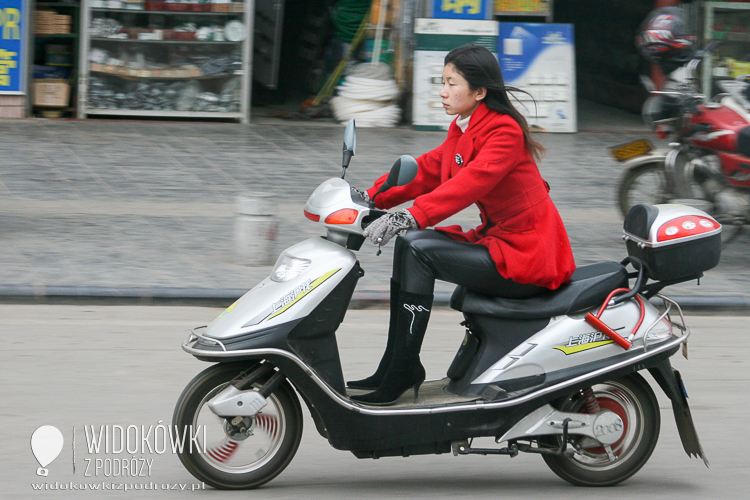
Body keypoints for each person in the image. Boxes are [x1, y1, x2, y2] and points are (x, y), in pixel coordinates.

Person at [348, 44, 576, 406]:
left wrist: (410, 215)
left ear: (479, 91)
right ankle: (395, 364)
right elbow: (429, 168)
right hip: (501, 240)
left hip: (528, 254)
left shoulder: (504, 132)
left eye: (451, 83)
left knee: (419, 247)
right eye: (443, 82)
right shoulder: (464, 125)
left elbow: (469, 183)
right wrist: (372, 197)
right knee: (412, 243)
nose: (442, 91)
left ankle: (403, 368)